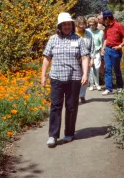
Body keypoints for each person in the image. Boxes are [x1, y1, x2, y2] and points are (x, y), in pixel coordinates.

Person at [41, 12, 89, 147]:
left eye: (69, 24)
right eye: (64, 24)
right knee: (55, 106)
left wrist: (85, 74)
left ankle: (69, 133)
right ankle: (53, 135)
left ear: (72, 25)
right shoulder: (52, 39)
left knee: (71, 106)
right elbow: (47, 58)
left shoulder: (78, 39)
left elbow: (85, 57)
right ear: (59, 26)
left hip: (74, 78)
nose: (67, 26)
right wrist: (43, 75)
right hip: (56, 77)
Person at [101, 10, 124, 95]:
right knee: (107, 69)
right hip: (107, 50)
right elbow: (106, 39)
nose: (104, 21)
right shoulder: (106, 28)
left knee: (116, 69)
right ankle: (108, 88)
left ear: (108, 18)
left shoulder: (119, 26)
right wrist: (103, 48)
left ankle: (120, 87)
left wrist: (120, 46)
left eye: (104, 19)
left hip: (115, 50)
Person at [76, 16, 95, 103]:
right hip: (75, 59)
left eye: (84, 25)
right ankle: (74, 95)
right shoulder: (72, 34)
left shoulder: (88, 34)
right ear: (77, 24)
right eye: (80, 25)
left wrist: (92, 59)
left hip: (86, 58)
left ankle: (82, 95)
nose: (83, 27)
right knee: (75, 78)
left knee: (85, 76)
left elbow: (92, 47)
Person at [86, 17, 104, 91]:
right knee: (90, 68)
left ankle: (97, 84)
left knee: (96, 68)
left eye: (93, 24)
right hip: (88, 52)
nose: (91, 26)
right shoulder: (87, 31)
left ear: (96, 24)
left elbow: (102, 43)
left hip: (97, 51)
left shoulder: (100, 32)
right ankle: (91, 84)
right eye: (89, 25)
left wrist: (101, 50)